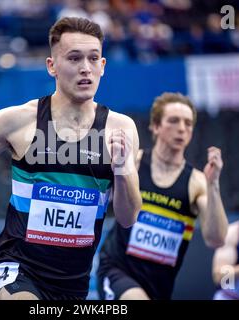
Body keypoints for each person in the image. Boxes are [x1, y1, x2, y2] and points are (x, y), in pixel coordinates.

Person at [0, 17, 142, 300]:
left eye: (94, 58)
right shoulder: (18, 121)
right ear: (52, 66)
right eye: (74, 58)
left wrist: (121, 169)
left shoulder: (120, 129)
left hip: (74, 280)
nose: (85, 68)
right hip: (18, 266)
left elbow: (128, 218)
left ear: (103, 66)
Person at [96, 92, 229, 300]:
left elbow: (216, 239)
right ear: (156, 127)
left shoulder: (197, 182)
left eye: (188, 123)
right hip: (117, 270)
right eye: (174, 121)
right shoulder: (135, 162)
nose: (182, 128)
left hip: (159, 286)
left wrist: (213, 185)